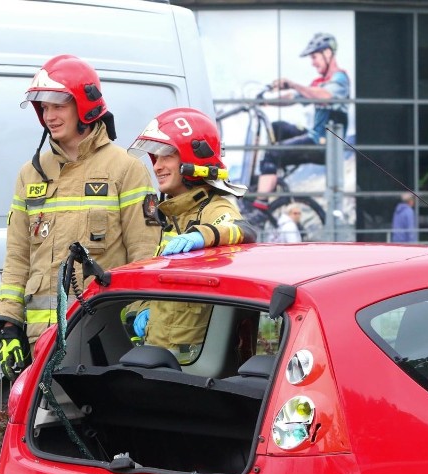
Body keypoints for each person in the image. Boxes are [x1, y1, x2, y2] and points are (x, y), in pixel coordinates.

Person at [0, 54, 161, 379]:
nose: (49, 115)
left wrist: (142, 319)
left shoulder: (125, 169)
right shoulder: (30, 175)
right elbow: (17, 257)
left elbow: (144, 256)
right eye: (44, 107)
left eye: (58, 105)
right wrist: (9, 322)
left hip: (101, 342)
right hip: (38, 342)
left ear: (84, 105)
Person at [127, 107, 256, 360]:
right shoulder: (172, 216)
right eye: (155, 158)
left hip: (195, 368)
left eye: (167, 157)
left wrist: (201, 235)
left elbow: (244, 231)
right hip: (162, 357)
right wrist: (140, 308)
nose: (157, 167)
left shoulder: (214, 208)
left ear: (191, 159)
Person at [249, 32, 350, 219]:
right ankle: (272, 173)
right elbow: (293, 98)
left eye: (314, 57)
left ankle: (260, 209)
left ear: (328, 53)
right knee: (278, 127)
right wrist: (267, 101)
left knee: (273, 152)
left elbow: (324, 96)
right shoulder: (319, 82)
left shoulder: (339, 79)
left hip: (325, 144)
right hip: (315, 135)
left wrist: (294, 84)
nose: (313, 62)